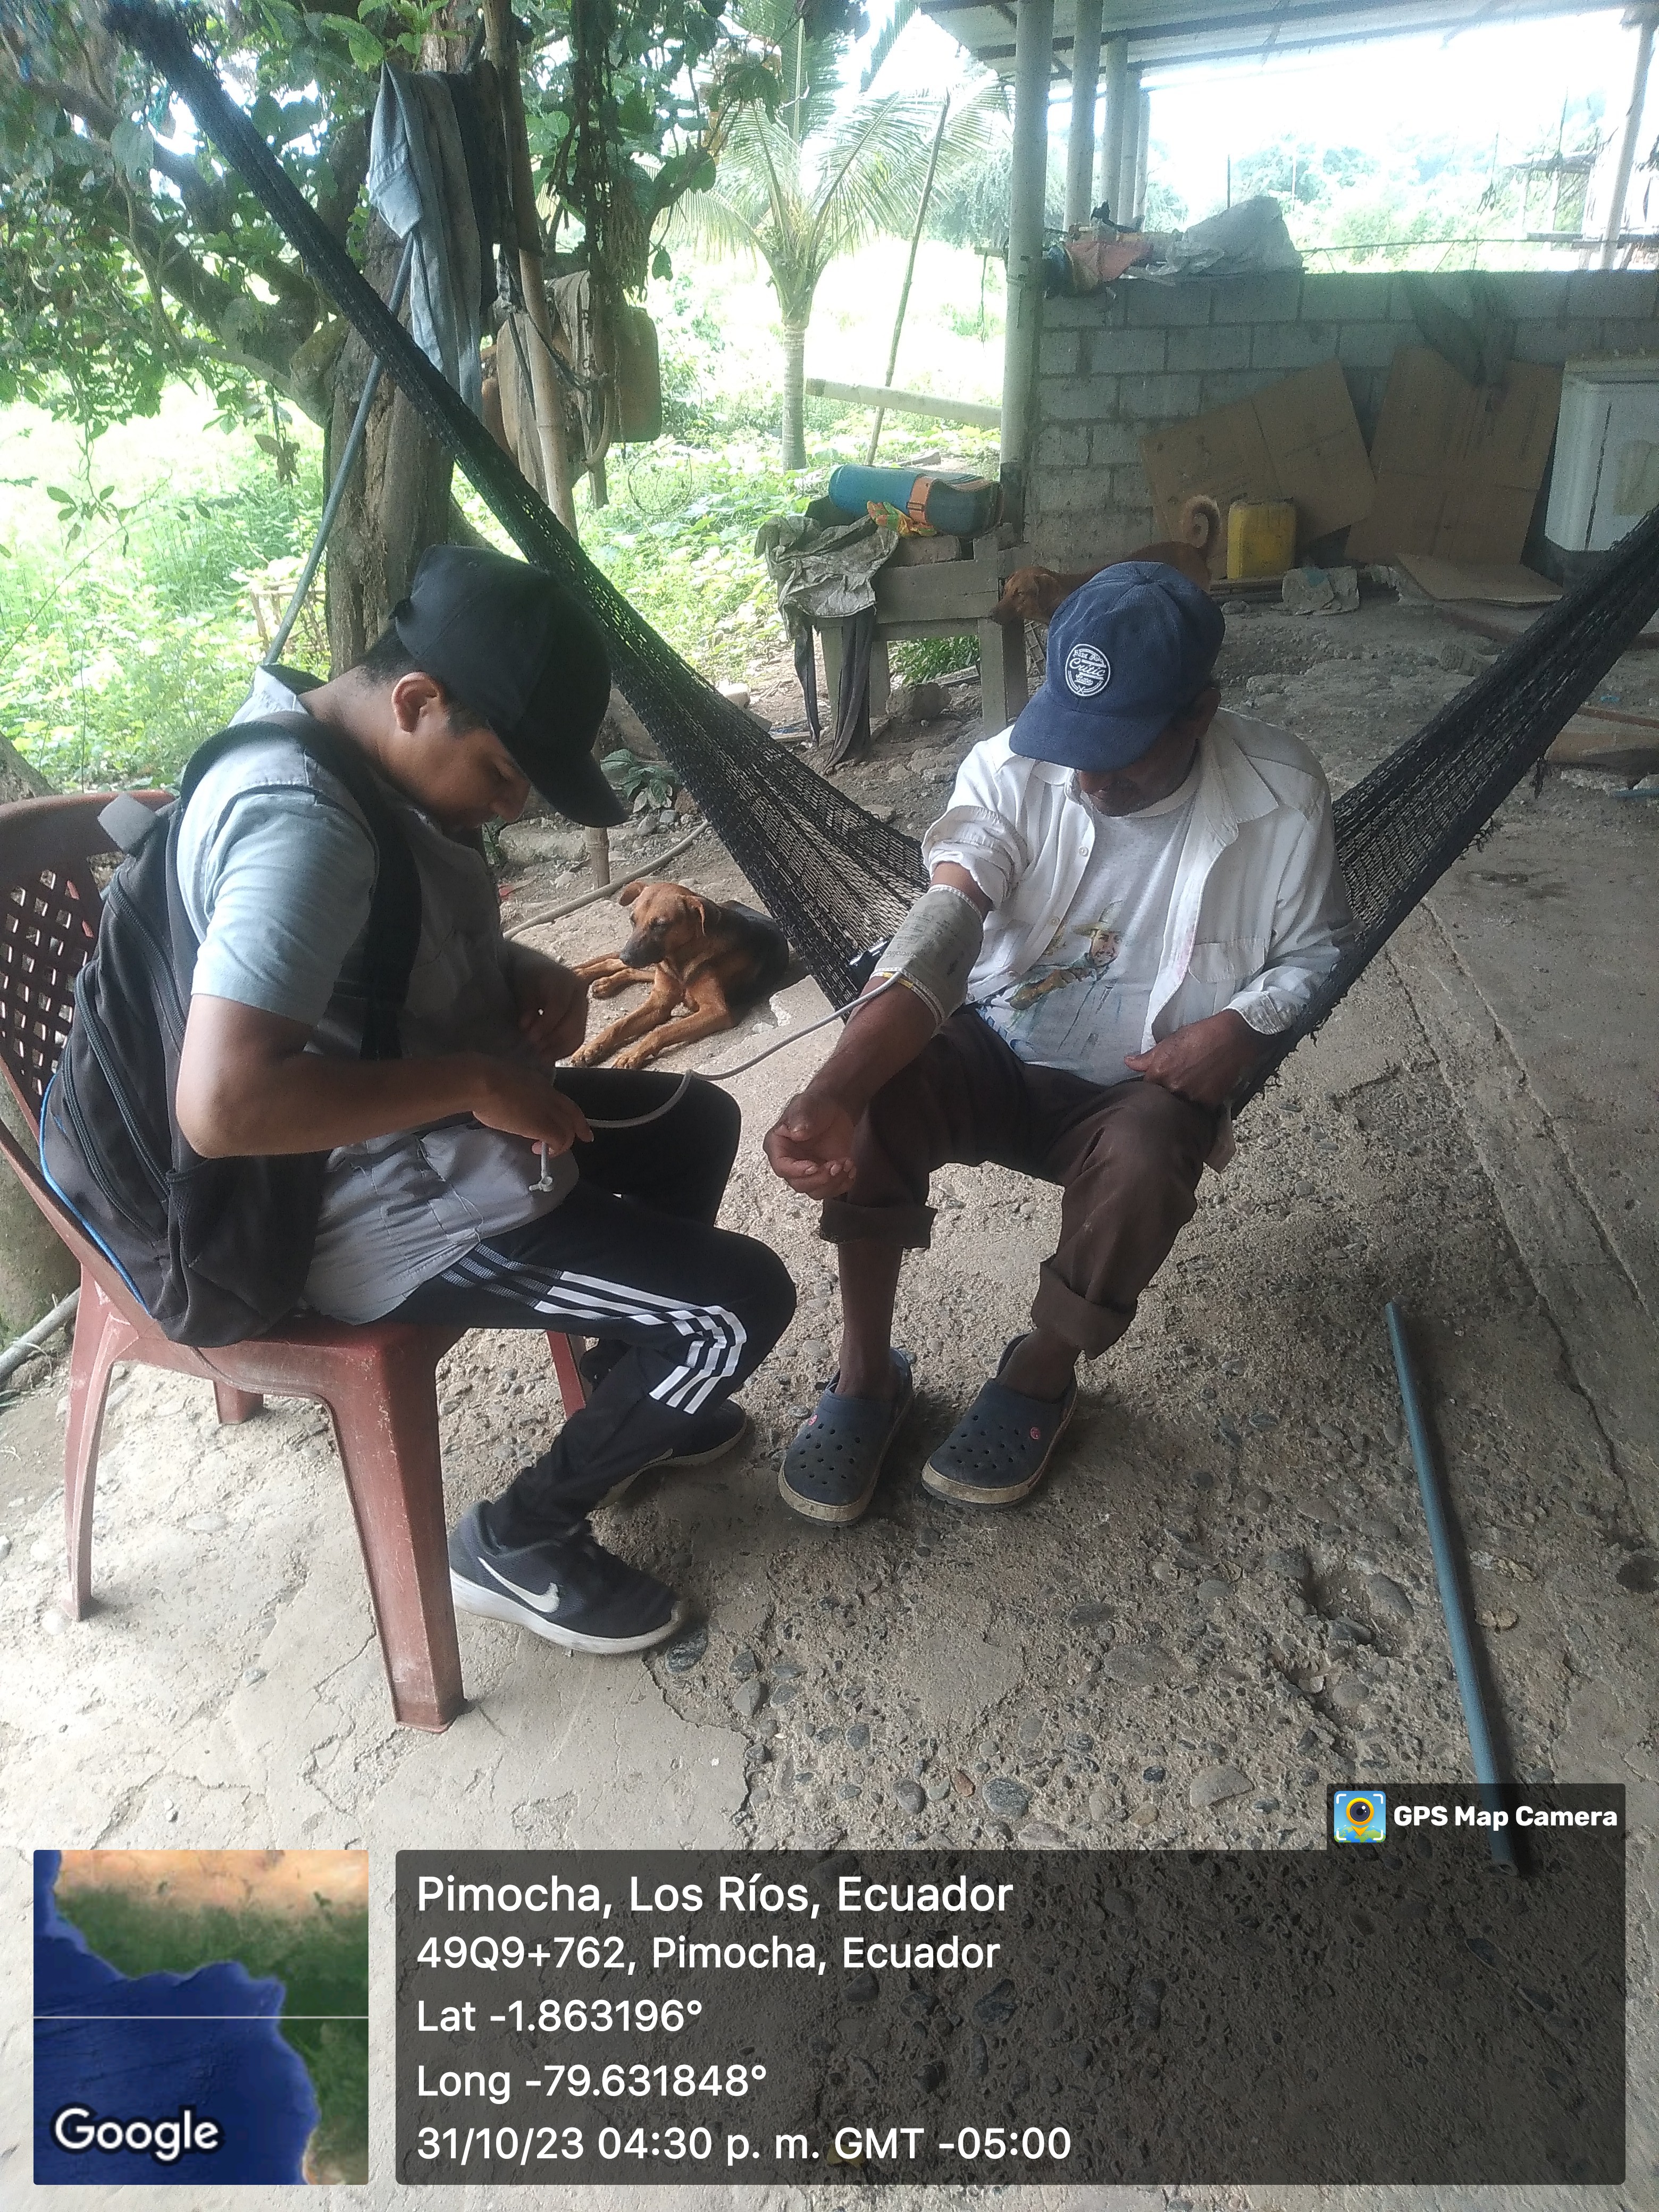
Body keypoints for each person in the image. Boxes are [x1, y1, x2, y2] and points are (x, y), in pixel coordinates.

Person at [171, 544, 794, 1651]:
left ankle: (631, 1386)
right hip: (366, 1207)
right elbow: (225, 1106)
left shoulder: (361, 767)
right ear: (417, 702)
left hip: (432, 1137)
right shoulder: (300, 824)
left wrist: (519, 968)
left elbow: (370, 966)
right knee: (739, 1304)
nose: (510, 807)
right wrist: (472, 1080)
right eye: (504, 774)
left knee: (696, 1120)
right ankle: (519, 1538)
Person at [765, 562, 1351, 1523]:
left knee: (1153, 1159)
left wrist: (1242, 1028)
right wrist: (832, 1090)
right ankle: (866, 1372)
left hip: (1136, 1085)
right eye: (1075, 743)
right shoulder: (1010, 768)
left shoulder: (1283, 793)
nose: (1090, 778)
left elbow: (1316, 948)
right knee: (879, 1091)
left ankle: (1041, 1370)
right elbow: (945, 923)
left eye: (1120, 751)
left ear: (1199, 714)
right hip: (992, 1048)